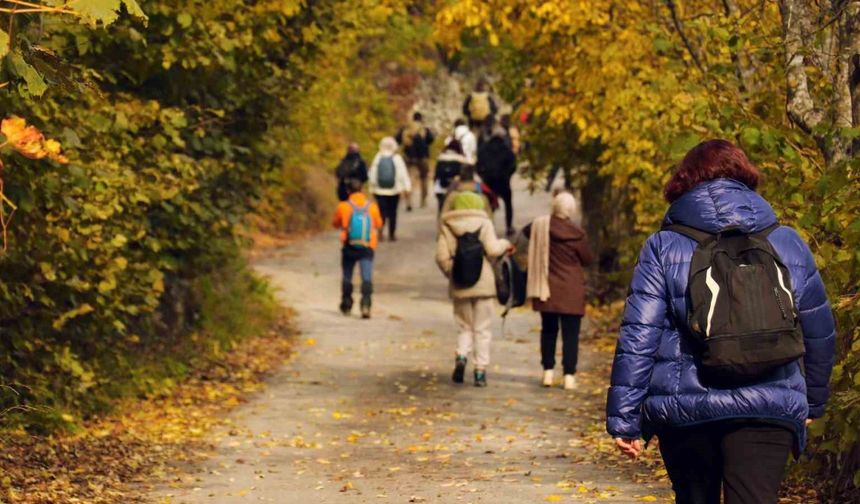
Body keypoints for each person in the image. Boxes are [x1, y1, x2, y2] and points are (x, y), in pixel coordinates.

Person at [606, 140, 836, 504]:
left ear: (684, 181)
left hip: (687, 409)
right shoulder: (787, 241)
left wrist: (625, 418)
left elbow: (640, 335)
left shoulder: (664, 246)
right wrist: (813, 403)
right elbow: (820, 330)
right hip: (769, 402)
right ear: (745, 177)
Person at [436, 191, 513, 387]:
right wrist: (505, 243)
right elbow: (494, 249)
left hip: (460, 284)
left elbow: (441, 256)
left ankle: (461, 356)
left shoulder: (447, 226)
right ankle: (480, 372)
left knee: (464, 327)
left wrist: (452, 272)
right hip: (484, 283)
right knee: (482, 329)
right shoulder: (484, 223)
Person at [523, 192, 594, 390]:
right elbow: (587, 259)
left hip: (549, 289)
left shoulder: (542, 226)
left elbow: (527, 231)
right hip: (572, 291)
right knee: (571, 335)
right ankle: (569, 375)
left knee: (549, 331)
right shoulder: (577, 233)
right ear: (571, 210)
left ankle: (548, 372)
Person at [332, 178, 383, 319]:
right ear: (362, 190)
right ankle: (366, 305)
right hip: (367, 246)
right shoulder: (372, 207)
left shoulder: (343, 206)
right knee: (366, 277)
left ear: (348, 191)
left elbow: (335, 223)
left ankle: (346, 304)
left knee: (347, 276)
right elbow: (379, 224)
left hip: (349, 246)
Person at [476, 117, 517, 236]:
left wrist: (484, 176)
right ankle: (509, 226)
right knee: (508, 203)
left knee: (489, 205)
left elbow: (478, 165)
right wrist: (507, 175)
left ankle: (489, 225)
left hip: (489, 182)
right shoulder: (506, 148)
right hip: (503, 181)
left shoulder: (484, 148)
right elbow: (513, 164)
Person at [369, 137, 411, 242]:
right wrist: (406, 188)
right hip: (394, 190)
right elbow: (402, 174)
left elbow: (372, 174)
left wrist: (372, 188)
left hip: (379, 191)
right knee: (393, 213)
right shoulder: (397, 158)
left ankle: (380, 232)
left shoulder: (378, 157)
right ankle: (392, 234)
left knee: (381, 212)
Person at [396, 112, 435, 211]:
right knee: (424, 178)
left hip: (408, 157)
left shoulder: (406, 128)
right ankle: (423, 201)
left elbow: (397, 139)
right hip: (422, 157)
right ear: (421, 119)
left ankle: (409, 201)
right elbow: (431, 139)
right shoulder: (423, 128)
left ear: (413, 118)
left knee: (408, 179)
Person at [433, 139, 469, 214]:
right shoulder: (462, 160)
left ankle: (441, 224)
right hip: (456, 190)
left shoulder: (441, 158)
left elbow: (436, 176)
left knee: (442, 211)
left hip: (441, 189)